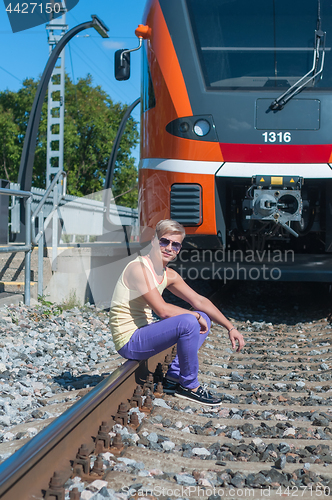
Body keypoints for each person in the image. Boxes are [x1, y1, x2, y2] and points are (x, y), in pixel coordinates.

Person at [109, 219, 244, 406]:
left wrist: (230, 327)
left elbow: (200, 301)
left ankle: (173, 378)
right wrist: (193, 316)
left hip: (143, 332)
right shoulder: (138, 268)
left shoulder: (168, 274)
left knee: (203, 315)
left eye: (175, 244)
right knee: (190, 321)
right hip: (129, 341)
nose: (169, 248)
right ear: (154, 241)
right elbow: (162, 310)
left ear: (179, 249)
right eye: (164, 241)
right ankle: (189, 386)